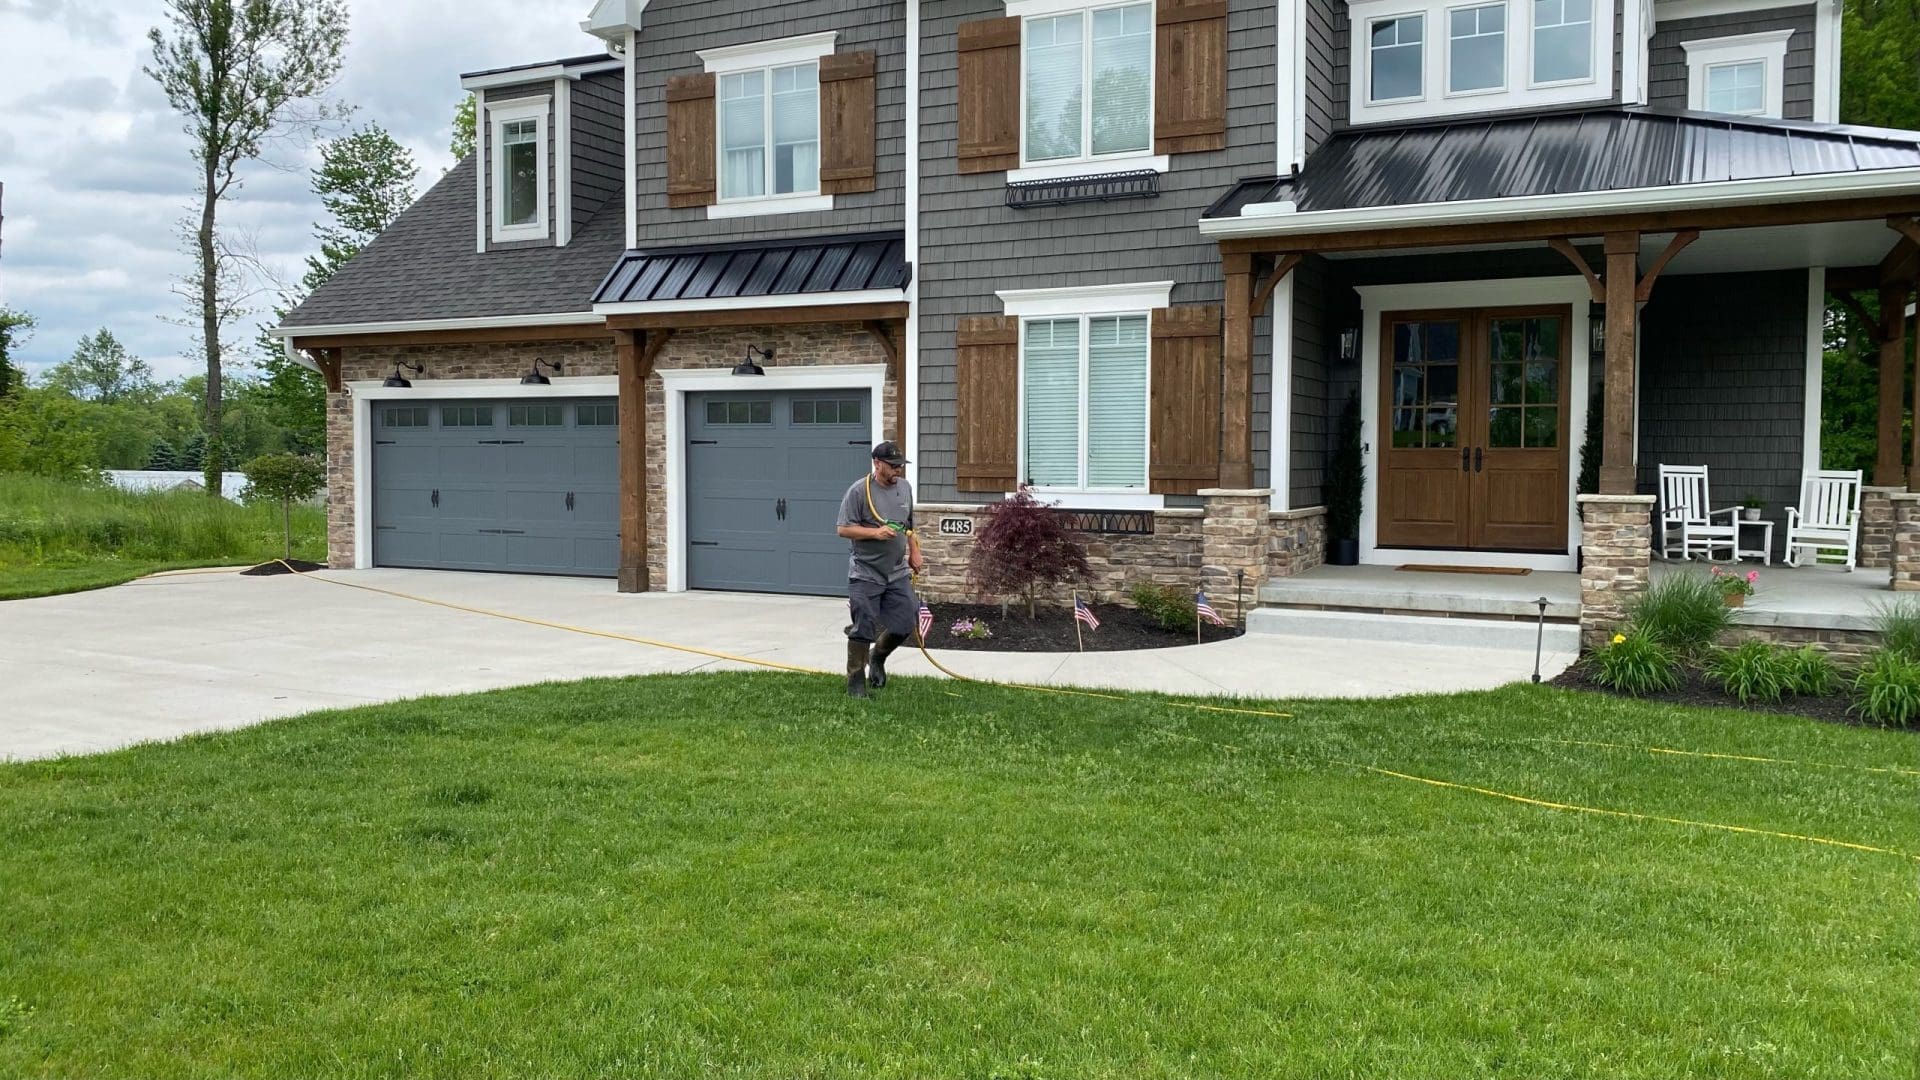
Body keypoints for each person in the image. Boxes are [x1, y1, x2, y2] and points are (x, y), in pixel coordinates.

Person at [835, 441, 922, 697]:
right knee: (863, 627)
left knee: (907, 621)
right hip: (866, 571)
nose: (898, 470)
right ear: (877, 464)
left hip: (896, 572)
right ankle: (855, 682)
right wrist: (875, 533)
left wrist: (915, 551)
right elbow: (842, 529)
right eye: (893, 466)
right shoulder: (859, 492)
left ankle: (878, 658)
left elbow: (909, 526)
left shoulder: (905, 488)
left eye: (900, 466)